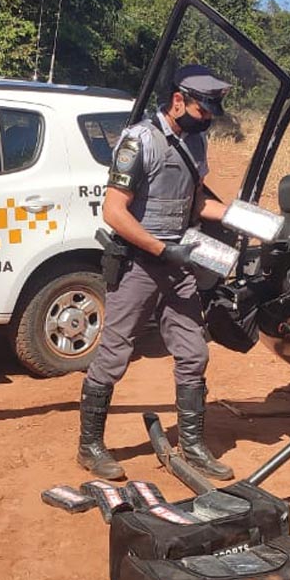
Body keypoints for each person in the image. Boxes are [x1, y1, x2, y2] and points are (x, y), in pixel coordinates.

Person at [76, 64, 236, 482]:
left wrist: (242, 217)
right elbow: (114, 211)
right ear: (178, 101)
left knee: (193, 353)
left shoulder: (196, 143)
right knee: (114, 356)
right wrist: (165, 249)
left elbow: (197, 204)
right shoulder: (138, 141)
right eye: (203, 111)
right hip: (140, 264)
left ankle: (194, 444)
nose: (207, 119)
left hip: (178, 263)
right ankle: (91, 447)